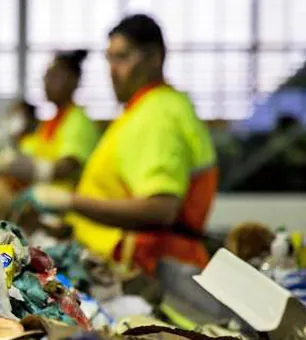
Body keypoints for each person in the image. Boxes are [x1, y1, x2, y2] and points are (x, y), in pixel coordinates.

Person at [36, 14, 218, 276]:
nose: (112, 69)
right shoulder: (140, 111)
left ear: (154, 58)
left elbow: (161, 209)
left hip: (146, 271)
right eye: (110, 59)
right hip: (123, 262)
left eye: (123, 57)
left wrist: (70, 201)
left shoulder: (159, 114)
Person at [1, 50, 98, 187]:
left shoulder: (79, 123)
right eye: (46, 77)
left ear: (73, 81)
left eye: (54, 77)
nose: (46, 82)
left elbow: (68, 166)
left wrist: (35, 171)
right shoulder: (50, 122)